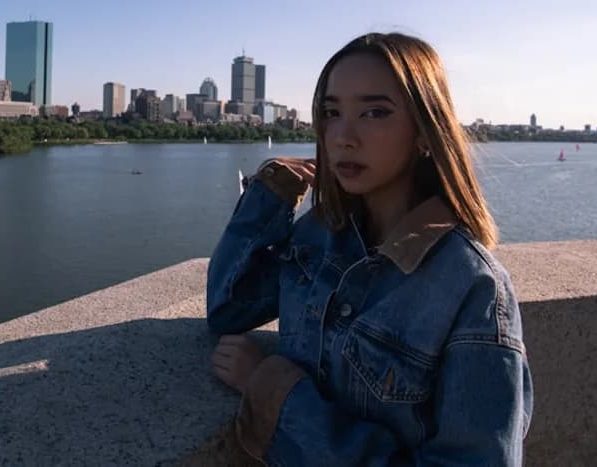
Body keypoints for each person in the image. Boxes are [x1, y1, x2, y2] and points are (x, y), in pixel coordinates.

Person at [207, 33, 532, 465]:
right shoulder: (319, 235)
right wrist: (271, 192)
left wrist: (273, 391)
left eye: (375, 112)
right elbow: (229, 308)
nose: (342, 136)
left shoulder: (472, 288)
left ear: (424, 131)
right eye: (331, 113)